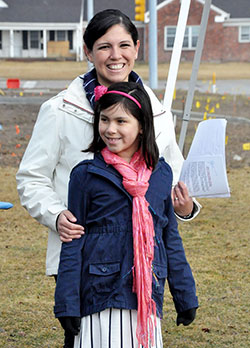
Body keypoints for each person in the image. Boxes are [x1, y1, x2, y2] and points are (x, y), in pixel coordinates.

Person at [16, 9, 200, 348]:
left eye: (124, 45)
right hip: (83, 254)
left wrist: (186, 207)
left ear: (137, 48)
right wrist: (57, 215)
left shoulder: (157, 113)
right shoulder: (60, 110)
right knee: (87, 338)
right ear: (88, 52)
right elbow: (31, 178)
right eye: (104, 47)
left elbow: (172, 180)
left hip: (143, 261)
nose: (116, 56)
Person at [54, 82, 198, 348]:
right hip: (100, 297)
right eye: (104, 119)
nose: (110, 129)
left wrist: (185, 295)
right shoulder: (85, 176)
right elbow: (73, 243)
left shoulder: (160, 174)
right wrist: (67, 304)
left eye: (121, 121)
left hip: (146, 298)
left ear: (141, 125)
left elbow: (169, 238)